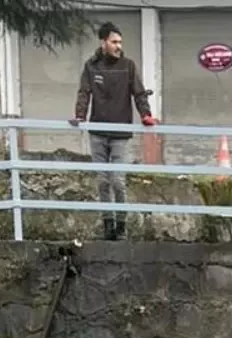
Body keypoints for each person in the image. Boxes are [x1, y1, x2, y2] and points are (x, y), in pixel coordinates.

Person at [72, 22, 155, 241]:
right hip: (98, 131)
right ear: (104, 42)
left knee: (118, 181)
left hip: (120, 131)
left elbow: (139, 92)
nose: (118, 46)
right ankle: (107, 224)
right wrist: (80, 115)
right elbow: (84, 92)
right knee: (102, 181)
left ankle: (121, 225)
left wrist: (145, 114)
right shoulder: (91, 66)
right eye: (114, 42)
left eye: (120, 42)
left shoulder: (128, 66)